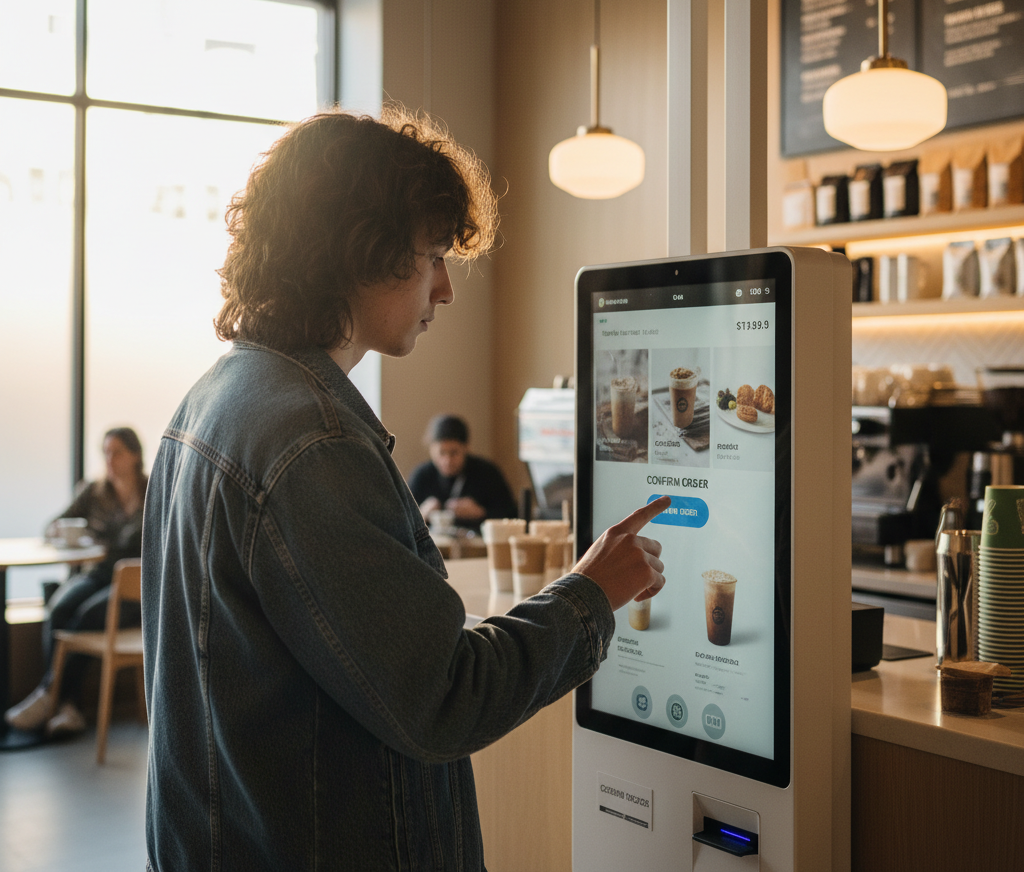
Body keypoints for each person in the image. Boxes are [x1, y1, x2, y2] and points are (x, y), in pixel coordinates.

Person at [142, 106, 667, 871]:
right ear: (358, 255)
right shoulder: (312, 441)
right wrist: (591, 592)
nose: (446, 289)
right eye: (430, 256)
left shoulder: (214, 399)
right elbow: (444, 697)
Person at [5, 427, 147, 737]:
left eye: (117, 452)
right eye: (106, 452)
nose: (109, 460)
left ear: (135, 455)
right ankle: (65, 703)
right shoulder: (95, 492)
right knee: (59, 609)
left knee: (86, 617)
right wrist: (73, 536)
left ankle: (51, 697)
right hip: (97, 573)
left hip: (133, 590)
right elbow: (54, 525)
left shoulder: (152, 491)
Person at [409, 413, 517, 532]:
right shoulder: (422, 476)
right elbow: (402, 524)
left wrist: (481, 513)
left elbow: (513, 517)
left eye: (454, 453)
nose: (447, 461)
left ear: (466, 448)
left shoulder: (487, 473)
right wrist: (421, 514)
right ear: (431, 450)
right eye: (441, 453)